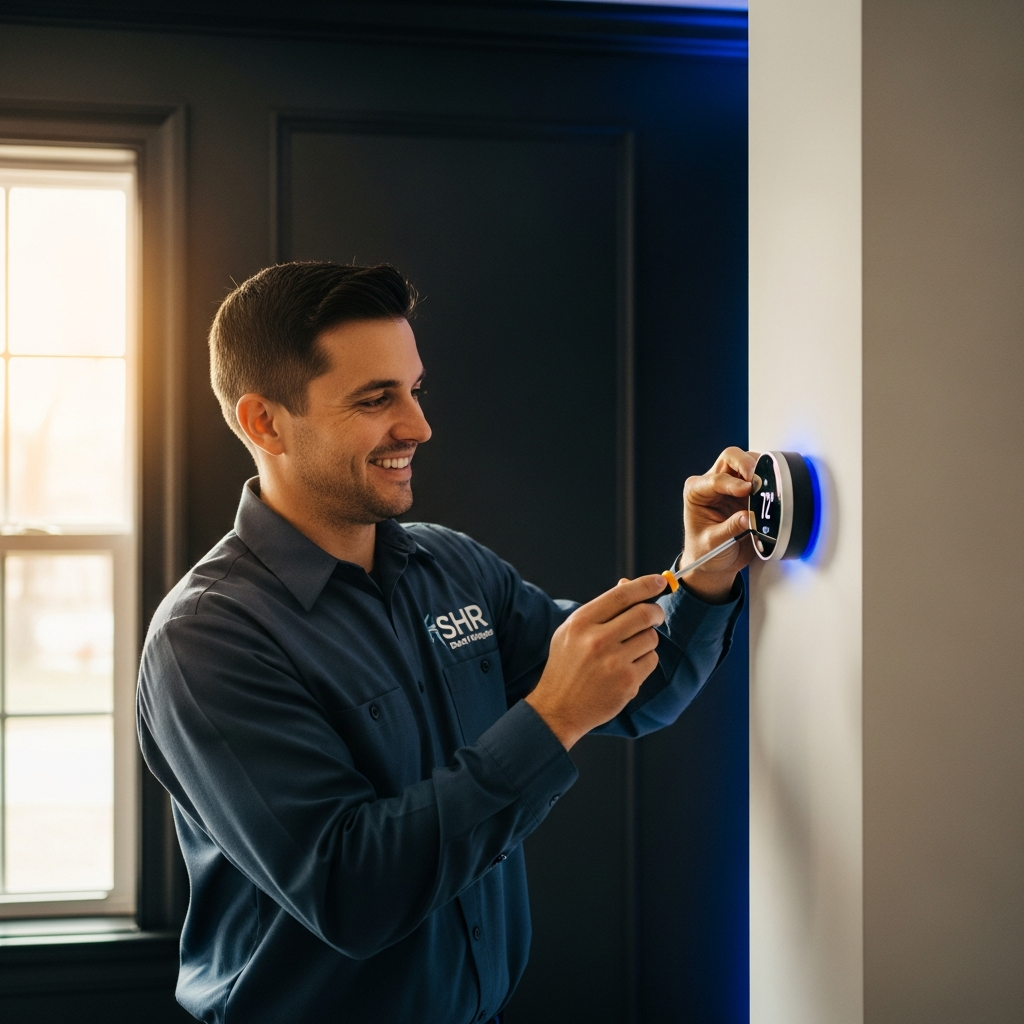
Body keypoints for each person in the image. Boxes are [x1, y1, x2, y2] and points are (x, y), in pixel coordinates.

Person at [137, 261, 757, 1024]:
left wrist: (701, 571)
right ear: (264, 422)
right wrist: (552, 717)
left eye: (414, 389)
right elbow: (352, 893)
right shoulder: (206, 639)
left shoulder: (451, 565)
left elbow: (637, 692)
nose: (418, 426)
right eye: (376, 399)